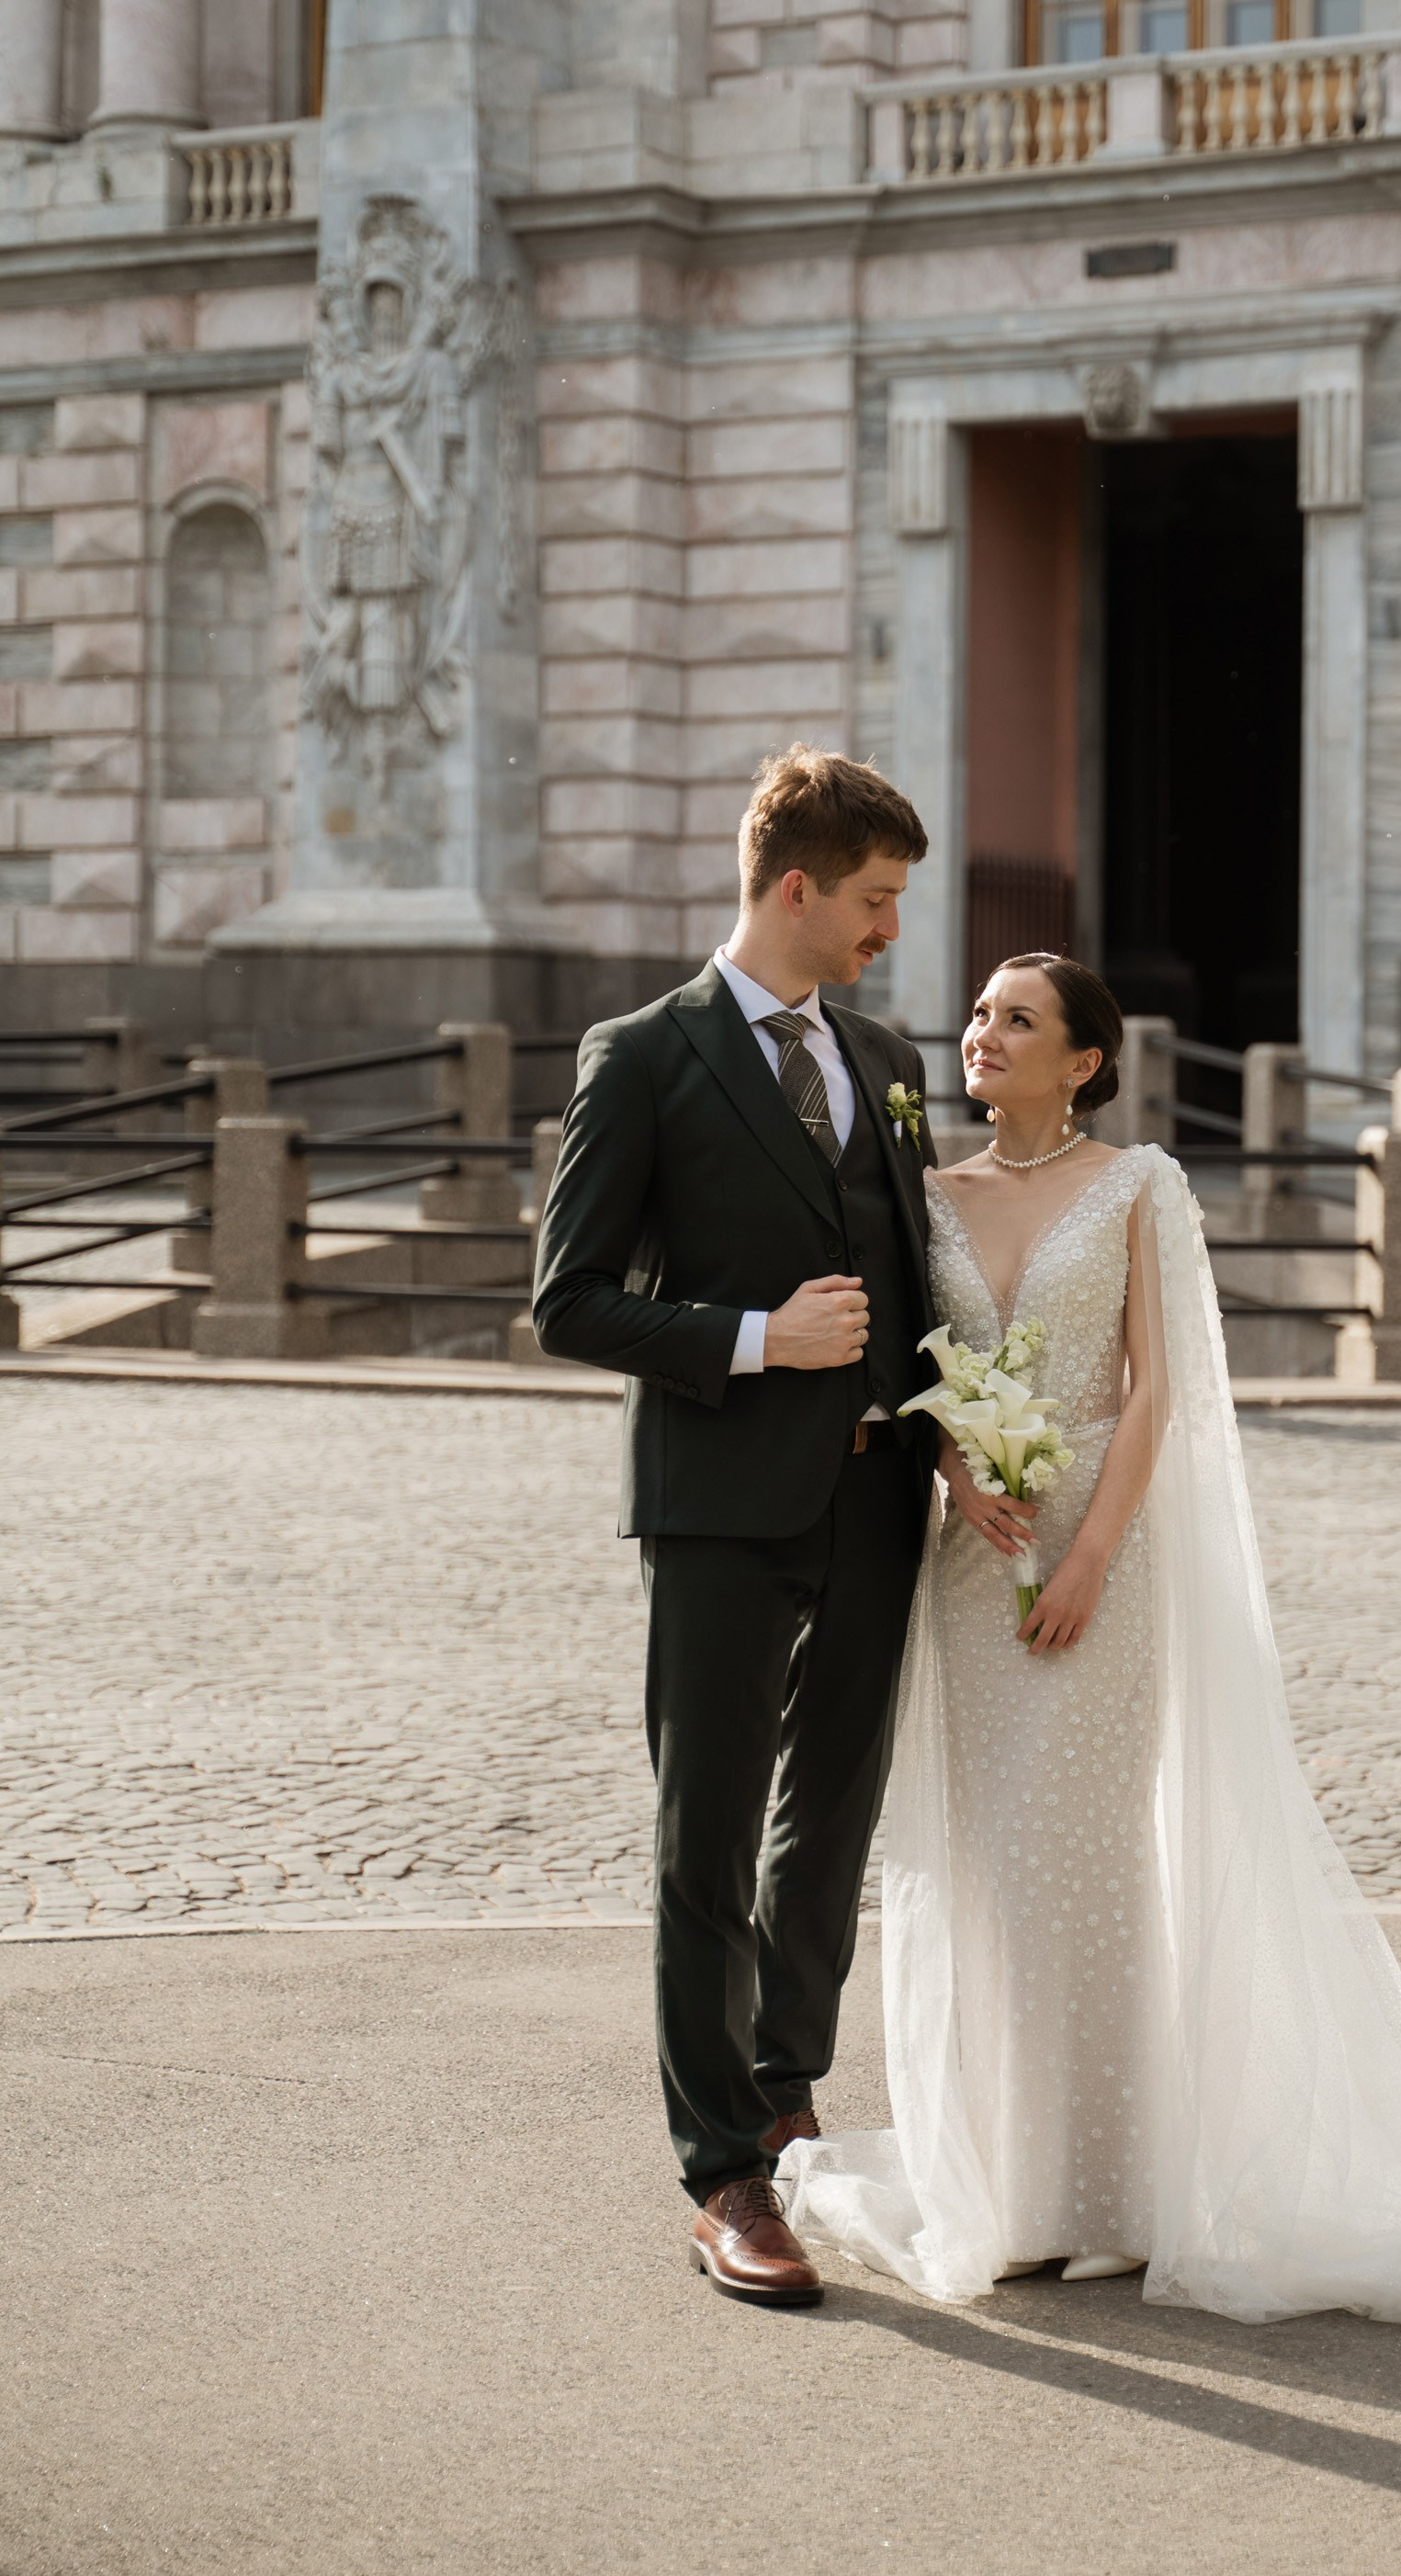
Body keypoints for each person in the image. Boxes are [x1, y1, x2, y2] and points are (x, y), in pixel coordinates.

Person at [779, 955, 1401, 2330]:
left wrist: (1092, 1553)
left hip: (1107, 1546)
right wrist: (955, 1477)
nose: (980, 1033)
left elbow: (1160, 1390)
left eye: (1015, 1020)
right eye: (977, 1014)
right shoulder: (926, 1198)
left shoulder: (1142, 1186)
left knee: (1086, 1853)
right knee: (987, 1861)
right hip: (977, 1557)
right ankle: (1010, 2182)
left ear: (1083, 1059)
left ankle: (1120, 2188)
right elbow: (910, 1375)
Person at [532, 746, 937, 2308]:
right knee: (705, 1833)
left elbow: (909, 1286)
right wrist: (758, 1337)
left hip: (877, 1494)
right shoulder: (642, 1055)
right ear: (794, 889)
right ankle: (721, 2173)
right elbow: (570, 1304)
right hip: (713, 1505)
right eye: (875, 901)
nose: (890, 928)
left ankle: (785, 2083)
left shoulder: (886, 1055)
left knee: (830, 1817)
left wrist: (956, 1445)